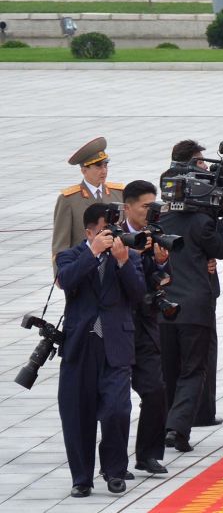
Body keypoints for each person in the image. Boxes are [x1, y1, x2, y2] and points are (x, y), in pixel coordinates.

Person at [56, 203, 146, 497]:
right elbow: (66, 281)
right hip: (80, 346)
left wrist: (122, 262)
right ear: (89, 232)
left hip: (115, 345)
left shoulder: (127, 255)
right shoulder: (71, 256)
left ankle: (115, 470)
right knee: (77, 414)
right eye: (103, 232)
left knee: (117, 411)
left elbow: (138, 294)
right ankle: (81, 478)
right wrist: (93, 253)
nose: (109, 237)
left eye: (112, 231)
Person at [159, 168, 223, 453]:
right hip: (195, 308)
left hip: (164, 306)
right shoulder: (203, 222)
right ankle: (177, 429)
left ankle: (163, 424)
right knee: (193, 370)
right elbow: (220, 249)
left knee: (168, 369)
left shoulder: (162, 218)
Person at [120, 180, 172, 475]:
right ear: (127, 207)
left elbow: (161, 280)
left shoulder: (155, 235)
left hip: (146, 327)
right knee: (115, 400)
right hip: (117, 329)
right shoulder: (114, 235)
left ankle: (148, 455)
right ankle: (115, 462)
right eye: (145, 206)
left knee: (155, 391)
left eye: (155, 206)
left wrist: (162, 263)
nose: (151, 212)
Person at [52, 137, 123, 268]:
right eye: (98, 166)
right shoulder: (68, 199)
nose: (104, 170)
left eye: (105, 165)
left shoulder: (118, 194)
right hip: (83, 268)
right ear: (84, 170)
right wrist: (61, 276)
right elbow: (61, 244)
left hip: (113, 269)